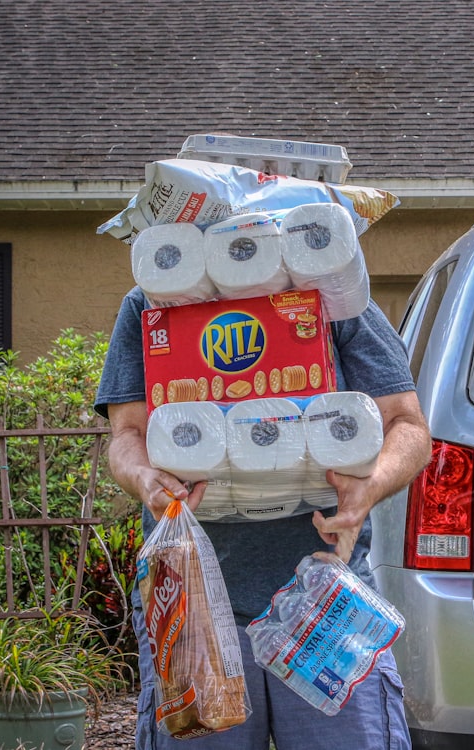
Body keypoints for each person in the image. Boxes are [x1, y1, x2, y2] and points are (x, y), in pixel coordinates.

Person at [94, 284, 432, 750]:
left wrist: (370, 487)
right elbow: (127, 432)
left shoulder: (329, 286)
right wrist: (144, 478)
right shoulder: (154, 300)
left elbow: (407, 425)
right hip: (191, 604)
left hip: (325, 598)